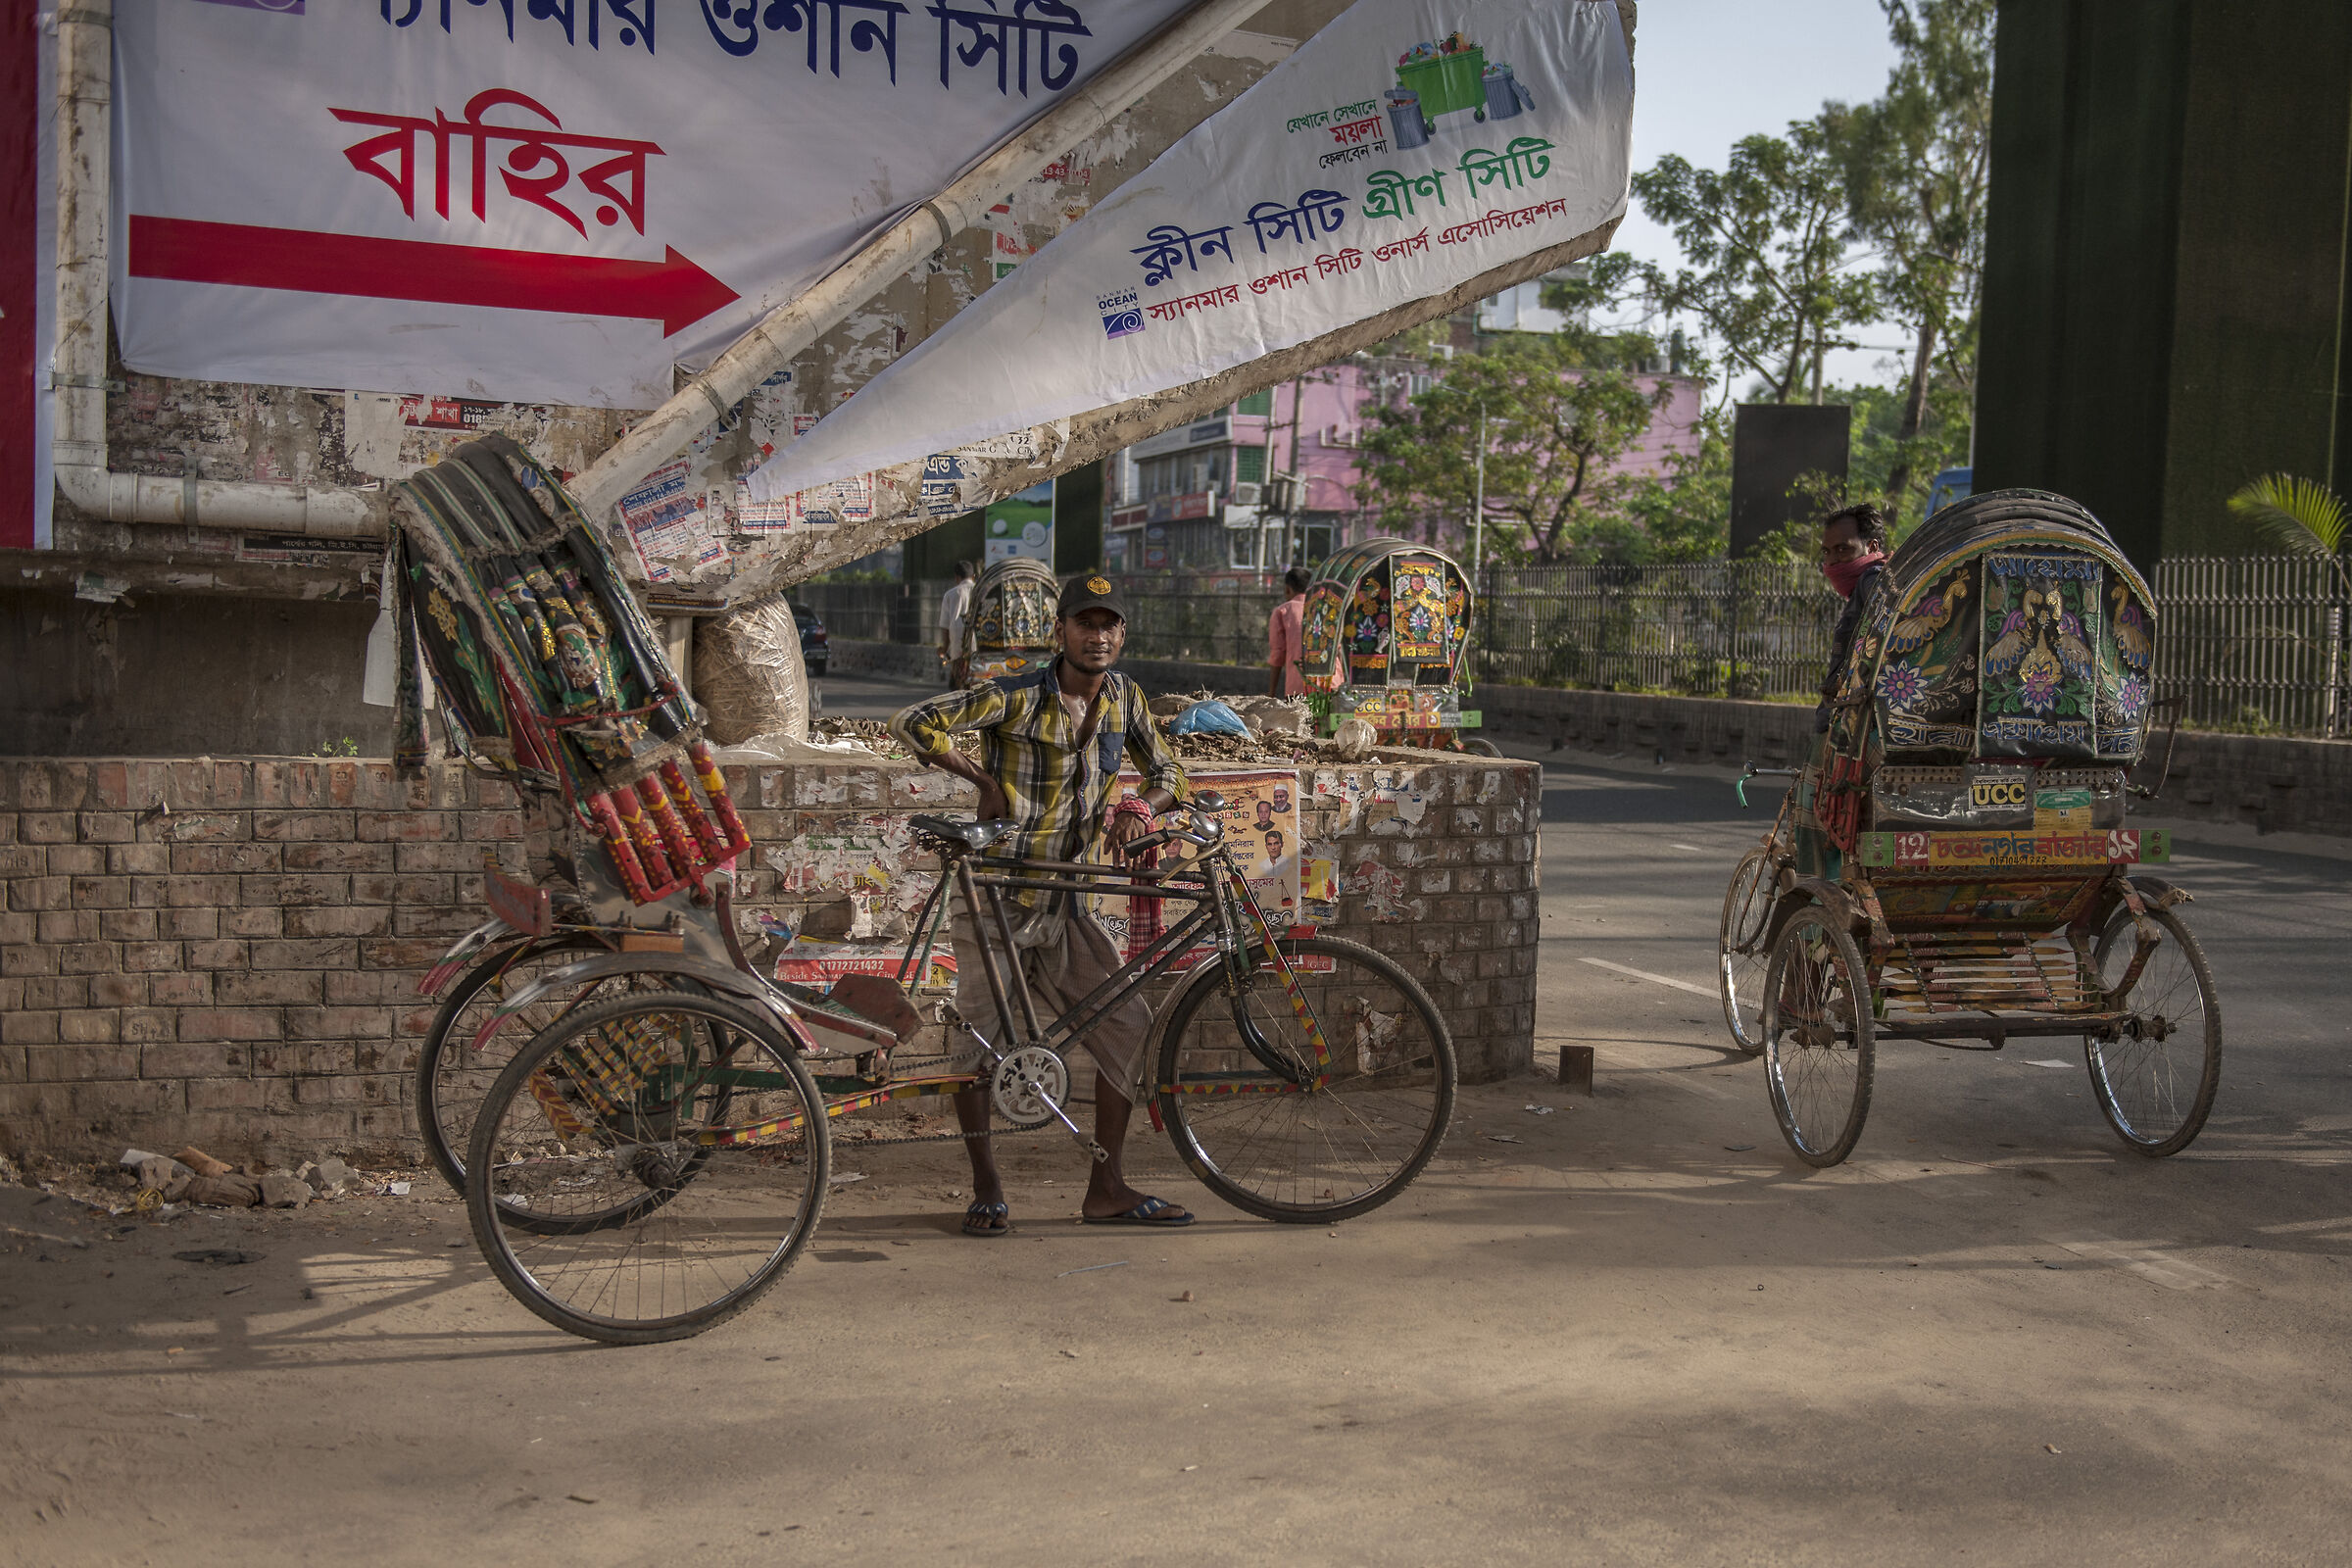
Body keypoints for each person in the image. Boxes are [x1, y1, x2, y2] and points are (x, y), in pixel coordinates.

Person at [889, 573, 1196, 1237]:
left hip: (1069, 901)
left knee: (1125, 1024)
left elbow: (1171, 773)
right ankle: (988, 1188)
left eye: (1110, 625)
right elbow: (915, 722)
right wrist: (981, 780)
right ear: (1061, 632)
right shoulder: (1019, 694)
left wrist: (1141, 806)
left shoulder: (1125, 699)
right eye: (1085, 624)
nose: (1098, 636)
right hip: (998, 893)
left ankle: (1106, 1188)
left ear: (1121, 634)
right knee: (978, 1044)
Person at [1815, 503, 1889, 732]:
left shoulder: (1872, 579)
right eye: (1827, 552)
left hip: (1857, 722)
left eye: (1842, 549)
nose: (1833, 561)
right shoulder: (1863, 586)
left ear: (1871, 546)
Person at [1266, 565, 1309, 697]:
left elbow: (1278, 654)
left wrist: (1272, 691)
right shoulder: (1326, 607)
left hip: (1298, 688)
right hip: (1331, 686)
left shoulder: (1282, 612)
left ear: (1288, 589)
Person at [938, 560, 976, 688]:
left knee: (957, 687)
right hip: (981, 648)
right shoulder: (981, 591)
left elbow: (945, 626)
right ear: (974, 577)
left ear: (956, 577)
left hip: (958, 647)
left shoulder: (950, 594)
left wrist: (944, 648)